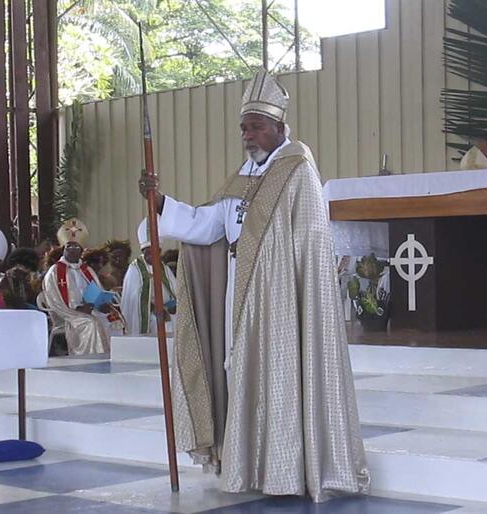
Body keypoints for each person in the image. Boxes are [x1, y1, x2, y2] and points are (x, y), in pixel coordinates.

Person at [139, 69, 369, 502]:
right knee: (240, 376)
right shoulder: (241, 178)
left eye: (257, 125)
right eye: (244, 126)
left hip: (283, 301)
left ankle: (289, 469)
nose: (248, 134)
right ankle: (249, 464)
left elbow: (312, 244)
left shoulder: (297, 172)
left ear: (280, 128)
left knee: (282, 378)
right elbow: (208, 227)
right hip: (238, 299)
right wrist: (160, 203)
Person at [41, 219, 123, 354]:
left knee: (114, 318)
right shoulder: (55, 272)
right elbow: (54, 300)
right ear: (64, 249)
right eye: (69, 247)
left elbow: (97, 291)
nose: (72, 250)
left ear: (82, 250)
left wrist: (102, 303)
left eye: (76, 247)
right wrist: (77, 309)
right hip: (69, 313)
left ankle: (113, 356)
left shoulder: (86, 269)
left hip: (91, 308)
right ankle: (92, 360)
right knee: (91, 324)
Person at [121, 218, 177, 335]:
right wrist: (152, 307)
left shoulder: (164, 269)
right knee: (158, 323)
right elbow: (133, 299)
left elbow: (175, 290)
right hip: (147, 312)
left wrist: (173, 305)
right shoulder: (135, 269)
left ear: (160, 251)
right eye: (148, 252)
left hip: (166, 310)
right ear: (143, 251)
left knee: (178, 319)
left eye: (155, 251)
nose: (151, 255)